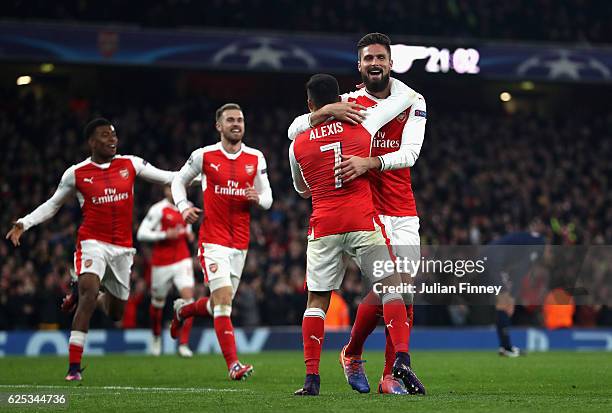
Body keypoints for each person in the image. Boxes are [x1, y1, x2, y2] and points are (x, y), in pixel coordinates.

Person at [288, 32, 427, 394]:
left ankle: (352, 353)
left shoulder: (411, 100)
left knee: (402, 292)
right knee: (391, 289)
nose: (375, 64)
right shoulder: (348, 103)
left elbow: (410, 154)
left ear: (391, 62)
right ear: (360, 65)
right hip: (369, 209)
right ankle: (389, 377)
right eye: (368, 59)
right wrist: (326, 111)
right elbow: (295, 130)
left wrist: (370, 161)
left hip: (403, 207)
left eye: (380, 57)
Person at [5, 118, 176, 381]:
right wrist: (24, 223)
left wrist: (203, 175)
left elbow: (170, 177)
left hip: (122, 249)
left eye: (114, 134)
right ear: (91, 142)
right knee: (87, 295)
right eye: (105, 135)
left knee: (116, 313)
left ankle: (92, 292)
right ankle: (74, 369)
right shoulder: (76, 173)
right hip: (91, 242)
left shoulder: (130, 163)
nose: (112, 139)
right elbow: (53, 204)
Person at [170, 103, 273, 380]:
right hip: (212, 239)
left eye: (240, 119)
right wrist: (183, 207)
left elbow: (268, 198)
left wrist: (258, 200)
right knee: (224, 302)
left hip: (240, 242)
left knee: (218, 303)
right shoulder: (203, 156)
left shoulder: (256, 157)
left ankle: (183, 311)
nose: (236, 124)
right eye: (230, 120)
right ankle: (233, 365)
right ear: (219, 126)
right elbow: (178, 182)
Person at [137, 185, 196, 357]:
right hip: (161, 263)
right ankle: (156, 337)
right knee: (157, 304)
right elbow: (141, 233)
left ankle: (183, 344)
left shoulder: (187, 205)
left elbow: (186, 229)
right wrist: (163, 235)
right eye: (171, 188)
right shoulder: (158, 209)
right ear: (165, 191)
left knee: (189, 300)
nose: (175, 191)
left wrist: (188, 234)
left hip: (182, 259)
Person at [482, 220, 546, 357]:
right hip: (494, 262)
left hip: (489, 257)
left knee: (502, 305)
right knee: (505, 303)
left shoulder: (528, 238)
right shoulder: (538, 246)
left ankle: (505, 347)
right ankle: (506, 347)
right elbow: (521, 271)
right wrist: (511, 297)